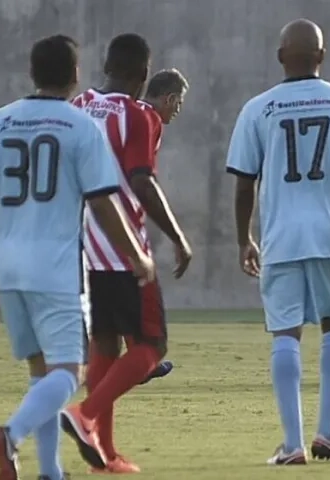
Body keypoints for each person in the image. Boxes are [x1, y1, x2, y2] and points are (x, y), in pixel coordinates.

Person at [0, 35, 155, 480]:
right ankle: (10, 434)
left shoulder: (1, 121)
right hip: (55, 266)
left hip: (6, 266)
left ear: (32, 72)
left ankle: (51, 471)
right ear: (75, 75)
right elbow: (103, 203)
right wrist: (137, 256)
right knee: (70, 370)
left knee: (40, 371)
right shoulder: (79, 124)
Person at [226, 19, 330, 465]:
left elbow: (243, 185)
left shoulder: (258, 108)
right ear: (322, 56)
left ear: (280, 57)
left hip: (280, 237)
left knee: (285, 333)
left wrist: (243, 239)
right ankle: (327, 433)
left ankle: (292, 444)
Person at [62, 33, 191, 474]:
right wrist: (176, 236)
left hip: (81, 252)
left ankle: (105, 454)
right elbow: (140, 180)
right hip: (123, 252)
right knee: (151, 346)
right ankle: (86, 413)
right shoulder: (139, 115)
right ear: (142, 76)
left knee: (104, 349)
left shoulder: (77, 106)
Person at [132, 67, 192, 384]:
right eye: (178, 103)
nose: (177, 111)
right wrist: (176, 236)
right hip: (114, 219)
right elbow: (143, 179)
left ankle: (137, 359)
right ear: (168, 98)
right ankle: (141, 360)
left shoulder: (129, 111)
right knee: (144, 286)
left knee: (129, 287)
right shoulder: (150, 119)